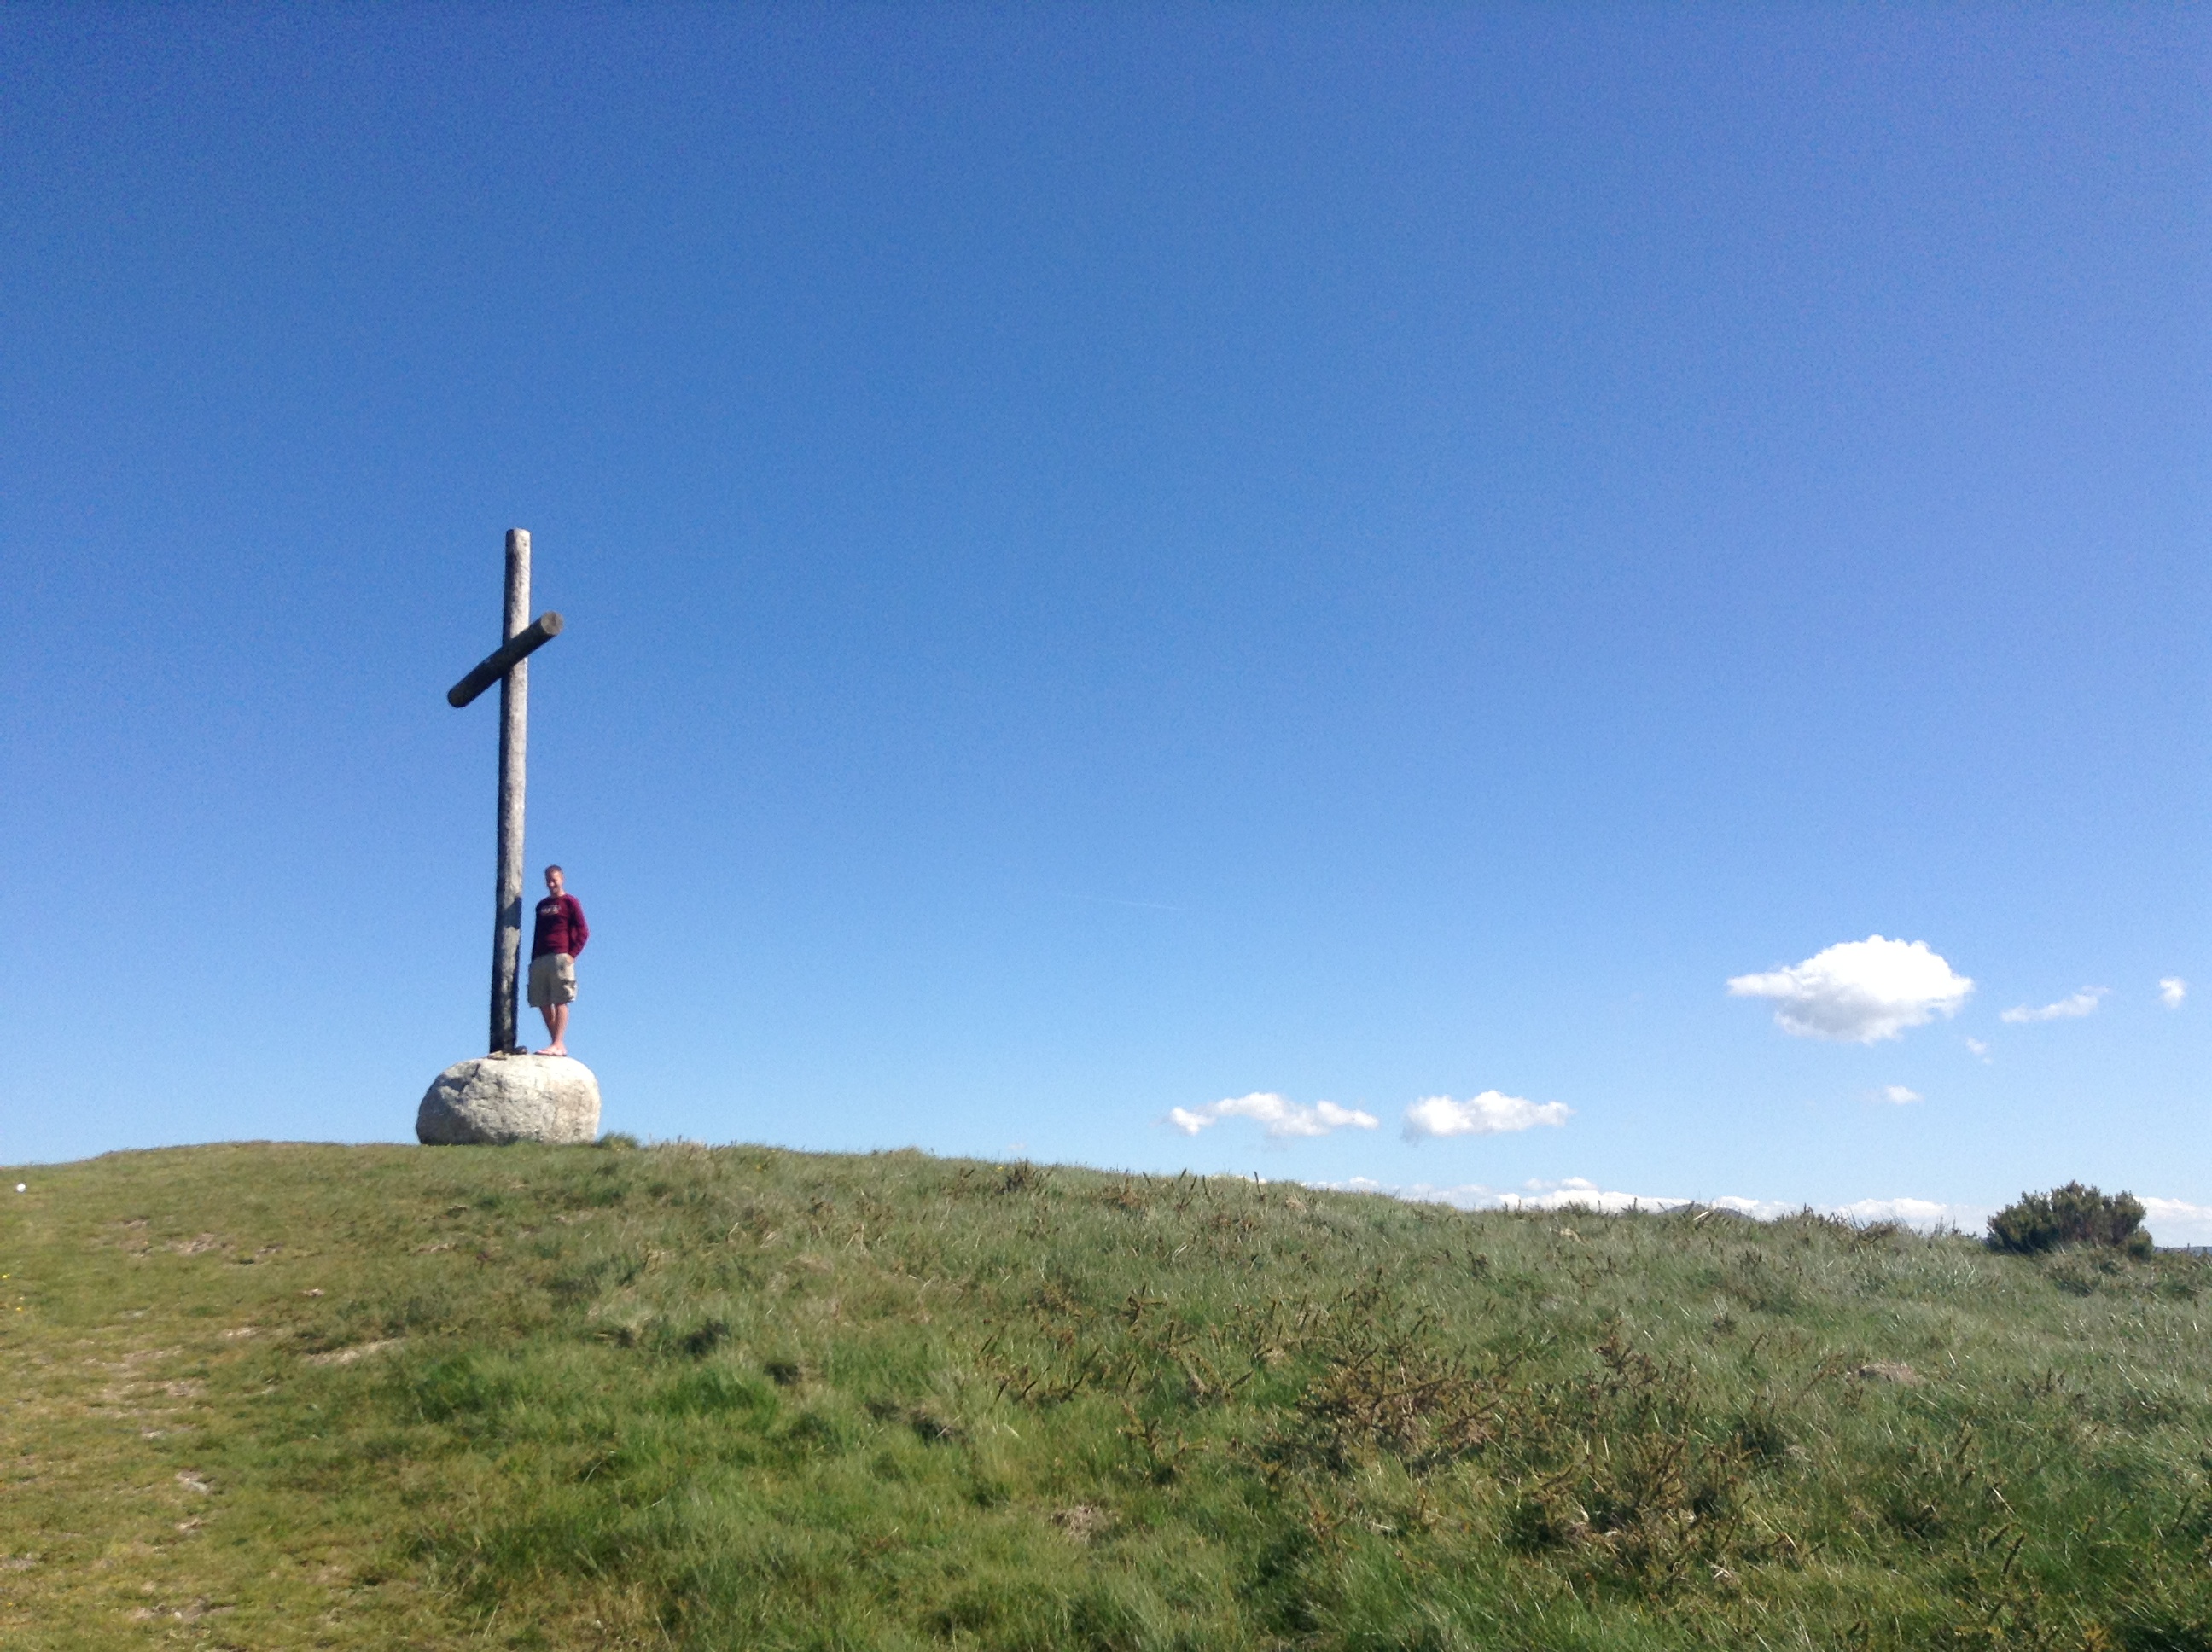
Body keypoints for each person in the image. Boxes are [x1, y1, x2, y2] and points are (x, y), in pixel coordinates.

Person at [527, 864, 589, 1056]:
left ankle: (558, 1042)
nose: (551, 884)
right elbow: (537, 933)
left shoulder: (570, 902)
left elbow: (583, 930)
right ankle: (556, 1043)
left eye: (554, 880)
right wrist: (533, 959)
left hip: (560, 955)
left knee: (560, 999)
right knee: (542, 1001)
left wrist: (572, 954)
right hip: (540, 957)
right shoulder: (541, 905)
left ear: (562, 879)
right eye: (548, 880)